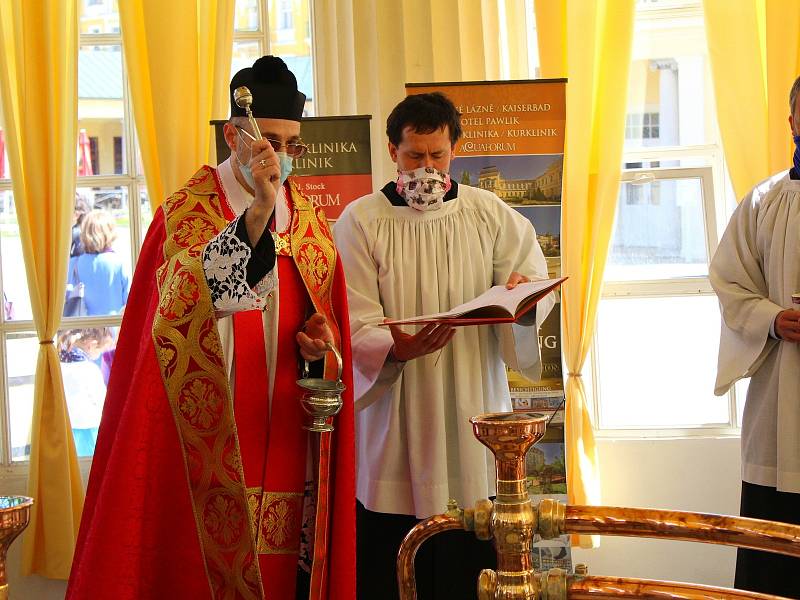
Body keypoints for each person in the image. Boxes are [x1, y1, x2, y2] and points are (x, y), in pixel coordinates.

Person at [67, 56, 355, 600]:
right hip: (202, 456)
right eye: (269, 140)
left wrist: (321, 352)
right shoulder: (183, 216)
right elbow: (173, 329)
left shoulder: (313, 229)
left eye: (293, 144)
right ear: (233, 136)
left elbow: (329, 346)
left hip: (289, 447)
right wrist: (255, 216)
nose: (281, 157)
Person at [332, 92, 555, 599]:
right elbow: (354, 314)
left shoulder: (489, 213)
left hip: (472, 398)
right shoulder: (362, 220)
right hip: (396, 410)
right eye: (415, 156)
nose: (427, 168)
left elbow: (530, 284)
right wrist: (393, 349)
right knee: (396, 561)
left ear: (455, 149)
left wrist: (521, 294)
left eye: (438, 155)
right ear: (393, 150)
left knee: (471, 560)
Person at [710, 74, 800, 598]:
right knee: (773, 559)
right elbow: (728, 278)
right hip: (780, 398)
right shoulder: (765, 200)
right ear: (792, 121)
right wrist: (771, 319)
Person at [58, 328, 113, 456]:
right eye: (100, 350)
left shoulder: (59, 365)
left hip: (66, 428)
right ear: (91, 345)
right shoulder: (90, 370)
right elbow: (101, 401)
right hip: (88, 428)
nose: (100, 355)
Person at [66, 209, 130, 316]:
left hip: (80, 328)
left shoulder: (73, 264)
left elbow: (66, 297)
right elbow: (129, 302)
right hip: (112, 329)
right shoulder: (118, 263)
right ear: (110, 234)